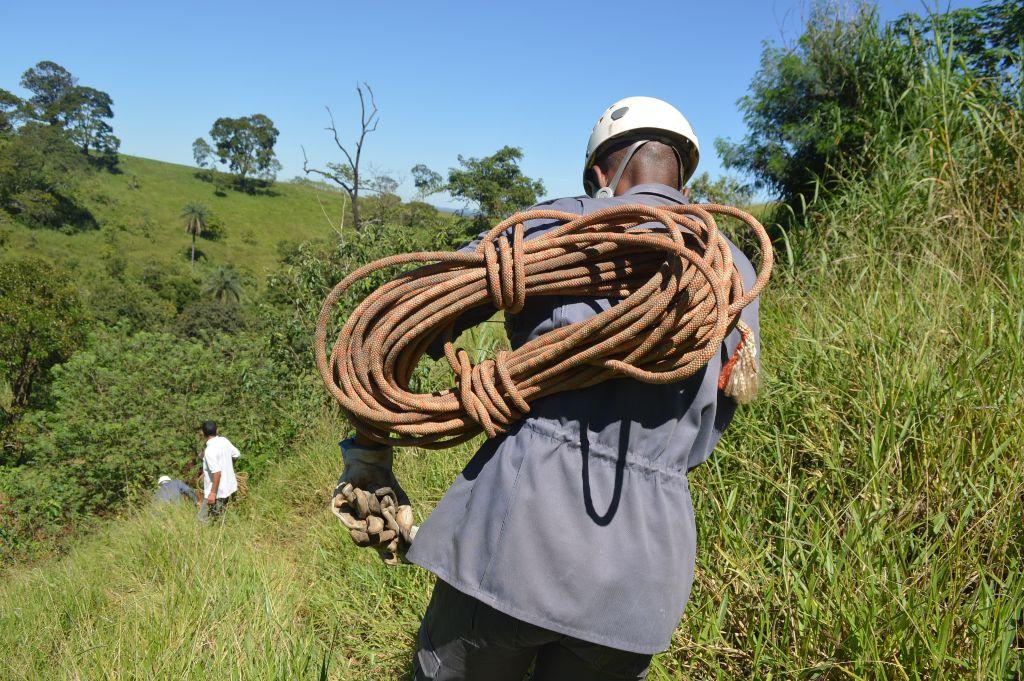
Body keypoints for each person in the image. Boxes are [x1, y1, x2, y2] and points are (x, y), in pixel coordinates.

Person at [338, 97, 761, 680]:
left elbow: (399, 329)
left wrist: (368, 457)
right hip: (643, 579)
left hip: (515, 538)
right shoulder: (733, 272)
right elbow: (718, 415)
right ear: (682, 175)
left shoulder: (557, 227)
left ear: (599, 175)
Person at [199, 421, 239, 520]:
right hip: (230, 487)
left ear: (202, 433)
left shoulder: (209, 451)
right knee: (224, 517)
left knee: (202, 519)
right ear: (217, 430)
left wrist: (212, 494)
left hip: (218, 493)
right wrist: (229, 466)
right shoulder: (224, 441)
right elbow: (236, 454)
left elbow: (217, 473)